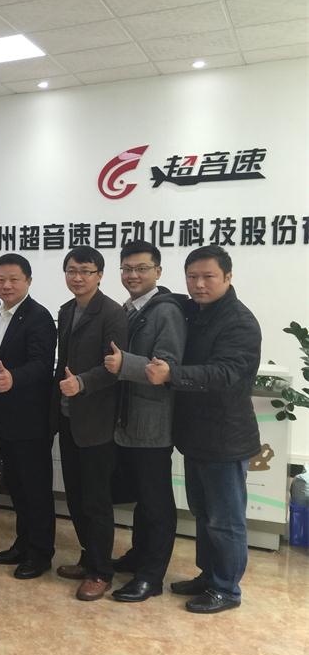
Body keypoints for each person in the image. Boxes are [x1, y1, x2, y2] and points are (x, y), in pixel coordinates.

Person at [144, 245, 261, 614]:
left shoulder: (239, 322)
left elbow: (225, 373)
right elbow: (171, 299)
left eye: (208, 276)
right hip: (196, 436)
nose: (198, 284)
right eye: (192, 277)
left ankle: (226, 589)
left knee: (225, 520)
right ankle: (209, 575)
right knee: (203, 512)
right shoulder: (197, 312)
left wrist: (172, 375)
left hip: (225, 439)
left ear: (228, 277)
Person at [102, 241, 185, 602]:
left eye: (141, 268)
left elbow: (167, 367)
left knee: (156, 502)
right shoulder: (130, 308)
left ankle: (151, 576)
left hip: (152, 424)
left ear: (158, 272)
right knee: (141, 498)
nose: (132, 275)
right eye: (127, 269)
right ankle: (138, 556)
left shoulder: (166, 312)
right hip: (126, 421)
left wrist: (125, 364)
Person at [51, 245, 127, 601]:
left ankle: (101, 571)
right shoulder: (67, 310)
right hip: (68, 417)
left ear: (99, 275)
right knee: (76, 496)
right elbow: (62, 363)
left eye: (85, 271)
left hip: (96, 422)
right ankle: (87, 557)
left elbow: (115, 368)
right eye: (72, 271)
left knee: (96, 501)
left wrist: (82, 383)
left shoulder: (112, 313)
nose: (77, 277)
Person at [0, 253, 57, 579]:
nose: (6, 285)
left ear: (28, 281)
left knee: (35, 488)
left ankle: (40, 553)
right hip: (6, 418)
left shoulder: (38, 317)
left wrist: (15, 377)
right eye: (0, 279)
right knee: (16, 485)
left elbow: (42, 364)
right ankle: (23, 543)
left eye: (14, 279)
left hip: (30, 419)